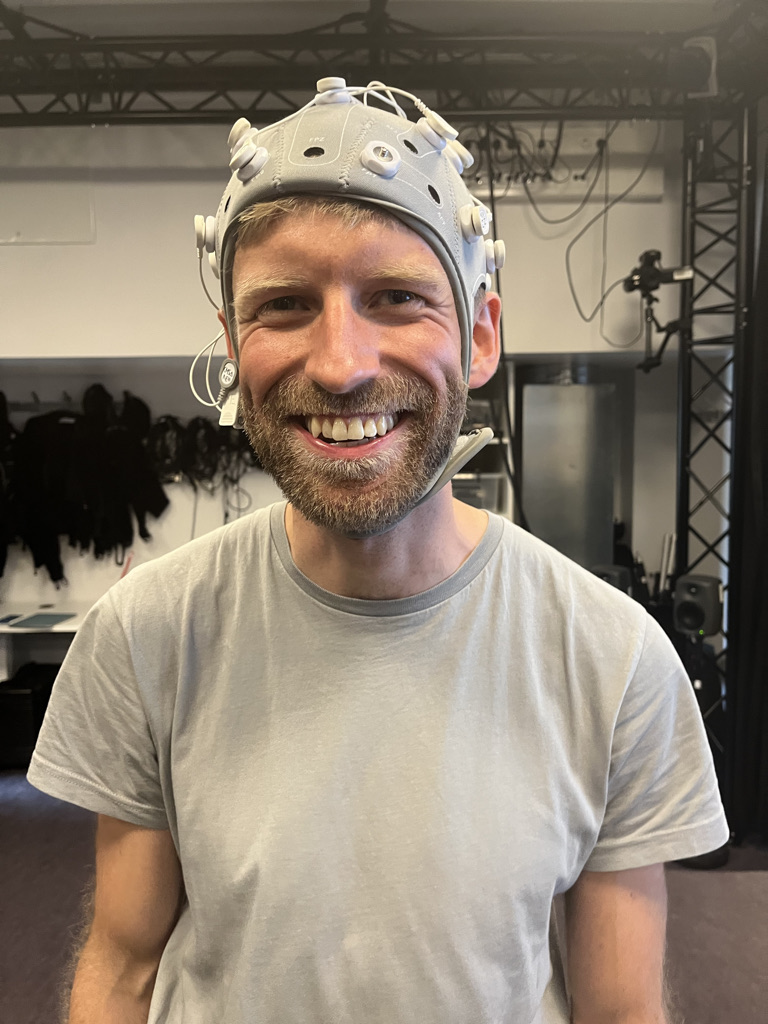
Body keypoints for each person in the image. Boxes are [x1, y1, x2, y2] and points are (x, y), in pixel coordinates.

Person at [27, 79, 729, 1024]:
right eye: (283, 306)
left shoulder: (614, 660)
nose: (342, 364)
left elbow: (621, 1010)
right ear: (233, 342)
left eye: (397, 297)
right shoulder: (146, 635)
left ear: (479, 337)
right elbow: (121, 963)